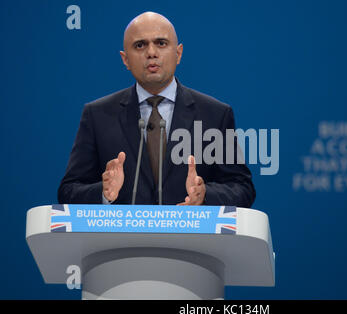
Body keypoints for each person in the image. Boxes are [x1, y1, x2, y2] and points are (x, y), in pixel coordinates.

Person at [58, 12, 255, 207]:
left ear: (178, 53)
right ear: (125, 59)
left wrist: (204, 196)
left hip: (190, 238)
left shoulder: (215, 115)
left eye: (161, 43)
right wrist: (103, 192)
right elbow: (69, 191)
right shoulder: (97, 115)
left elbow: (241, 188)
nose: (151, 52)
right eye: (140, 45)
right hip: (122, 238)